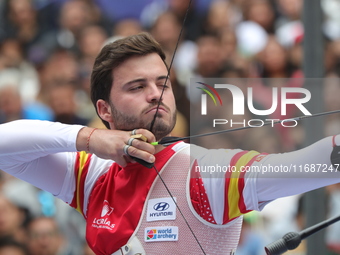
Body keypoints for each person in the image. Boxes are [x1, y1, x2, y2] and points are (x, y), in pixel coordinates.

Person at [0, 32, 339, 255]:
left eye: (163, 83)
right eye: (136, 87)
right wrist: (91, 138)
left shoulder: (204, 174)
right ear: (104, 110)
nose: (155, 94)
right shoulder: (91, 174)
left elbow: (317, 161)